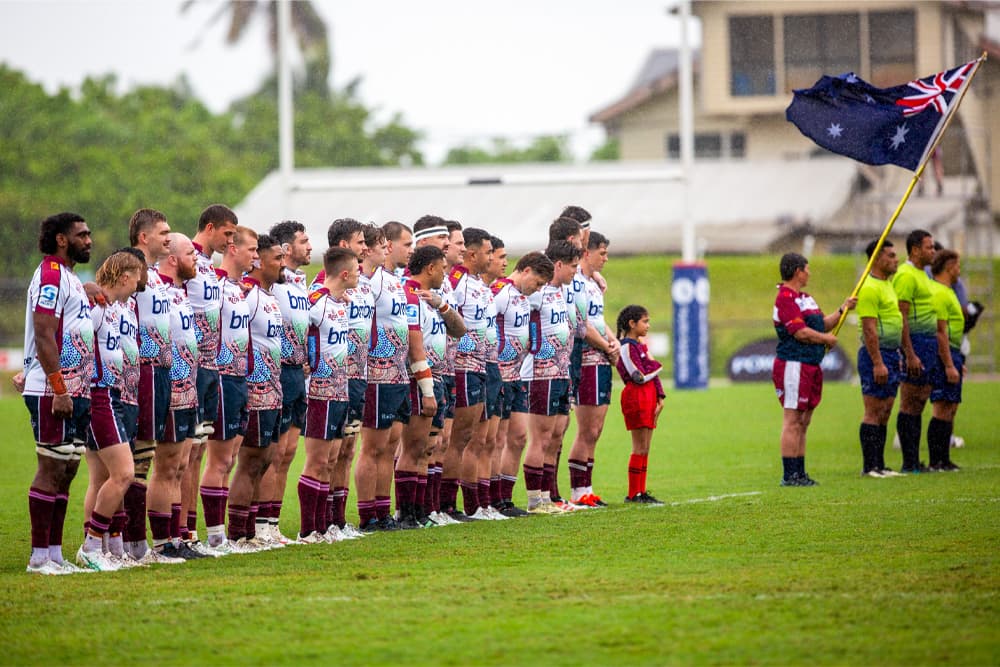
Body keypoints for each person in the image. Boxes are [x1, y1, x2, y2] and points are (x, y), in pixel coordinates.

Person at [22, 212, 96, 575]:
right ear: (62, 239)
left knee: (67, 469)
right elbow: (43, 331)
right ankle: (38, 557)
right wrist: (58, 387)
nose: (89, 240)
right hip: (55, 390)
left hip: (75, 388)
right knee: (50, 468)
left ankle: (54, 554)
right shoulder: (51, 275)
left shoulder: (69, 277)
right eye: (82, 235)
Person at [77, 250, 145, 571]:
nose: (140, 281)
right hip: (98, 395)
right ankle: (91, 546)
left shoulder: (116, 307)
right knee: (124, 473)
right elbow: (72, 335)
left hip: (114, 395)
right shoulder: (96, 305)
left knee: (103, 476)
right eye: (138, 275)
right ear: (125, 277)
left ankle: (108, 550)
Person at [772, 252, 856, 487]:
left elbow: (822, 324)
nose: (810, 273)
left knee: (804, 420)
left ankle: (800, 472)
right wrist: (825, 340)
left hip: (811, 365)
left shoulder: (806, 298)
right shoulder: (785, 298)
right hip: (793, 364)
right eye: (807, 269)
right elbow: (800, 332)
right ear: (798, 271)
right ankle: (790, 475)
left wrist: (843, 309)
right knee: (792, 419)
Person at [397, 245, 466, 527]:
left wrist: (441, 304)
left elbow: (460, 330)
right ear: (430, 268)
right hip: (419, 378)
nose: (445, 273)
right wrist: (426, 388)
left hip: (437, 377)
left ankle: (421, 511)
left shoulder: (432, 298)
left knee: (428, 447)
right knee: (414, 447)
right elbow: (415, 347)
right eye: (442, 268)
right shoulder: (410, 295)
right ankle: (406, 513)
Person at [149, 233, 206, 561]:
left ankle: (177, 536)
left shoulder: (180, 291)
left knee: (182, 465)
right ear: (173, 259)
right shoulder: (154, 287)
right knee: (167, 466)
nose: (195, 258)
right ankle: (162, 542)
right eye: (189, 253)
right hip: (171, 389)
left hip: (190, 390)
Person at [355, 221, 414, 532]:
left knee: (391, 445)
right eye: (377, 246)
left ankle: (383, 509)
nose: (377, 250)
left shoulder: (392, 280)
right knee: (373, 446)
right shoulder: (369, 281)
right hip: (377, 374)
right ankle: (368, 515)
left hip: (398, 373)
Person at [200, 225, 256, 553]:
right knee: (219, 461)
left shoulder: (239, 288)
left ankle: (220, 536)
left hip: (239, 379)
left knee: (231, 458)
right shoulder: (217, 286)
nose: (255, 255)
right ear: (233, 248)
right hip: (221, 377)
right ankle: (216, 536)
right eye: (251, 249)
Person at [186, 204, 237, 551]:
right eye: (227, 234)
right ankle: (180, 531)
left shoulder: (210, 268)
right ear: (209, 227)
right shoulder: (185, 260)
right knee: (184, 455)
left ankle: (187, 530)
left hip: (209, 370)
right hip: (187, 370)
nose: (230, 241)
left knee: (197, 452)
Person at [299, 247, 359, 543]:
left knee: (332, 460)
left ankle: (323, 527)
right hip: (320, 392)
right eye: (357, 270)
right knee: (318, 461)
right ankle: (308, 530)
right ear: (345, 274)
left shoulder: (340, 303)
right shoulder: (316, 302)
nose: (360, 275)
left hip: (340, 390)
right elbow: (297, 331)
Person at [230, 234, 286, 550]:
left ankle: (250, 531)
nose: (282, 264)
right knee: (251, 460)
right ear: (259, 261)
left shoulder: (268, 295)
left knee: (266, 459)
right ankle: (238, 532)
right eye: (276, 258)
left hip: (274, 389)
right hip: (256, 388)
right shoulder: (248, 295)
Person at [127, 208, 174, 561]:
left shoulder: (157, 276)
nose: (169, 238)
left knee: (145, 456)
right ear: (144, 237)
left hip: (160, 371)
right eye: (163, 232)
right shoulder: (131, 271)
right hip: (141, 371)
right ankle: (129, 541)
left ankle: (134, 541)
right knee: (134, 458)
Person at [262, 220, 313, 545]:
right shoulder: (273, 285)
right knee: (272, 452)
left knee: (289, 451)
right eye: (304, 241)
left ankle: (273, 524)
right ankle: (258, 524)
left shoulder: (297, 284)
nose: (310, 246)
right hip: (277, 371)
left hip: (297, 373)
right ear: (285, 247)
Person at [492, 251, 552, 516]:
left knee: (518, 437)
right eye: (538, 283)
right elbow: (485, 327)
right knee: (496, 439)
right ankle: (491, 498)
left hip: (518, 376)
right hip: (500, 377)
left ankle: (505, 498)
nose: (537, 289)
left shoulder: (524, 298)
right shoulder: (501, 293)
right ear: (526, 270)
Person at [522, 241, 581, 513]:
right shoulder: (538, 293)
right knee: (541, 437)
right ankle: (536, 499)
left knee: (555, 435)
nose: (575, 272)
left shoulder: (560, 293)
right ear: (558, 264)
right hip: (540, 374)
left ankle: (548, 497)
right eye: (572, 266)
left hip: (560, 372)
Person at [568, 231, 619, 507]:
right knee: (586, 429)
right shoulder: (576, 283)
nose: (606, 259)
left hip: (600, 358)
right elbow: (582, 324)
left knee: (596, 429)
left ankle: (587, 487)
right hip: (588, 358)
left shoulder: (593, 284)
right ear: (587, 253)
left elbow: (598, 320)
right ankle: (578, 491)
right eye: (602, 252)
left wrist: (614, 341)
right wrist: (606, 345)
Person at [448, 228, 495, 520]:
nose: (491, 257)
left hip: (483, 366)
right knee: (461, 437)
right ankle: (448, 504)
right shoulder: (456, 282)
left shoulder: (479, 284)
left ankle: (475, 505)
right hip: (463, 366)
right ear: (473, 254)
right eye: (488, 252)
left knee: (474, 437)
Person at [856, 240, 905, 478]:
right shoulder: (869, 288)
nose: (896, 259)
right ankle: (869, 466)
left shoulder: (889, 284)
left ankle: (881, 464)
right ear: (877, 259)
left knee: (886, 409)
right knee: (873, 409)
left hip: (891, 353)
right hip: (875, 355)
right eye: (891, 255)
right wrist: (877, 362)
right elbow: (869, 329)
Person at [893, 230, 937, 473]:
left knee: (920, 400)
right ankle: (909, 462)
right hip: (916, 343)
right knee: (910, 400)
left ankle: (914, 459)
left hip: (927, 343)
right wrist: (909, 353)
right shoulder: (906, 275)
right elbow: (902, 316)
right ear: (915, 250)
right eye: (929, 247)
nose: (933, 252)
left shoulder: (924, 274)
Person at [615, 305, 665, 504]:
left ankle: (641, 491)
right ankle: (633, 493)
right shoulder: (626, 346)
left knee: (646, 447)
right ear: (632, 324)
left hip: (649, 396)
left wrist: (660, 397)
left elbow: (650, 374)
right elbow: (639, 376)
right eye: (645, 321)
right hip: (636, 396)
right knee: (638, 446)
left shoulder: (641, 345)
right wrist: (658, 367)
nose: (648, 326)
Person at [927, 249, 965, 471]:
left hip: (954, 353)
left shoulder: (948, 291)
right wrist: (949, 363)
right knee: (941, 407)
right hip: (945, 356)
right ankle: (936, 460)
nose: (959, 271)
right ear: (949, 267)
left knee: (950, 407)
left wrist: (958, 360)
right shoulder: (940, 293)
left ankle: (944, 458)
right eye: (958, 266)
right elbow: (940, 331)